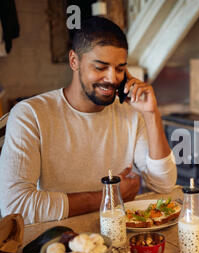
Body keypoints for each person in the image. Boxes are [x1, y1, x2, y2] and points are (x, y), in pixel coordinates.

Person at [0, 17, 177, 224]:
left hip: (117, 237)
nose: (112, 78)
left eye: (120, 69)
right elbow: (15, 207)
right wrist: (110, 196)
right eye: (101, 67)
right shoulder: (30, 114)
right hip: (57, 245)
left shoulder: (130, 113)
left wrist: (151, 113)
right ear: (74, 61)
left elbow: (164, 185)